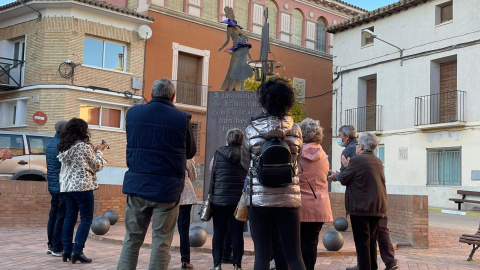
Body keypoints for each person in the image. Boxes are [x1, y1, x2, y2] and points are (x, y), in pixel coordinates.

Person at [117, 78, 196, 270]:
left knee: (132, 240)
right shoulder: (181, 118)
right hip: (167, 190)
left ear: (151, 94)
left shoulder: (133, 113)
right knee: (161, 243)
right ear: (173, 96)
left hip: (137, 186)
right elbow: (191, 152)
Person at [242, 77, 305, 270]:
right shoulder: (295, 129)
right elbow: (296, 160)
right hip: (288, 198)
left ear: (264, 102)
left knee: (261, 253)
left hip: (259, 199)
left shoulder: (251, 130)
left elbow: (245, 162)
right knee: (294, 254)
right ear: (288, 101)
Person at [334, 132, 387, 270]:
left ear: (361, 146)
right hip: (377, 207)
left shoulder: (357, 160)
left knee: (362, 241)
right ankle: (371, 267)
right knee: (371, 241)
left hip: (361, 207)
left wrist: (345, 166)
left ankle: (364, 267)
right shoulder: (378, 160)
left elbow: (344, 178)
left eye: (358, 145)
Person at [58, 118, 107, 264]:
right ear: (82, 130)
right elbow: (96, 166)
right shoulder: (83, 147)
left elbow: (79, 162)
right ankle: (77, 251)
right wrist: (99, 152)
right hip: (83, 187)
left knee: (69, 218)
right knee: (86, 219)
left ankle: (67, 250)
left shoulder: (64, 146)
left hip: (67, 188)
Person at [298, 118, 333, 270]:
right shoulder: (324, 155)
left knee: (295, 244)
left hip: (299, 205)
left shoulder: (296, 155)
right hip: (319, 204)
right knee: (311, 242)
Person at [210, 128, 247, 270]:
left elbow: (213, 175)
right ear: (242, 141)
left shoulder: (218, 154)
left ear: (228, 139)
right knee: (237, 233)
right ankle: (237, 264)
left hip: (219, 201)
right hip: (238, 201)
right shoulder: (245, 156)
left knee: (218, 233)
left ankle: (217, 264)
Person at [46, 120, 68, 257]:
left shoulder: (51, 143)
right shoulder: (62, 145)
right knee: (61, 216)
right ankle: (57, 247)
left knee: (53, 216)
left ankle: (50, 245)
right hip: (61, 186)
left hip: (53, 185)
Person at [219, 6, 247, 91]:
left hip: (241, 50)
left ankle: (237, 87)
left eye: (227, 13)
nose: (226, 15)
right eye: (226, 13)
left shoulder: (237, 26)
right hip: (235, 50)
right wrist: (221, 47)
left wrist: (236, 27)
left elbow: (245, 35)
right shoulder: (229, 27)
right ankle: (229, 87)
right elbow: (228, 40)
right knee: (232, 68)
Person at [178, 158, 197, 270]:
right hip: (185, 194)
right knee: (184, 229)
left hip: (168, 193)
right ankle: (185, 260)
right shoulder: (187, 158)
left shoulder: (166, 153)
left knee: (165, 228)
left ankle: (162, 257)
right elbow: (193, 177)